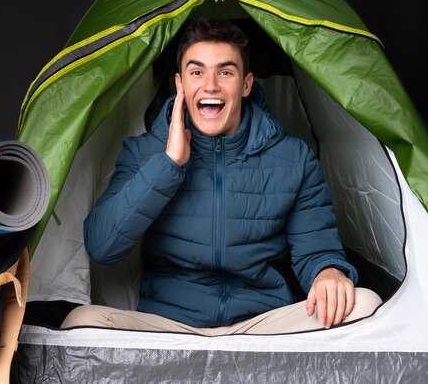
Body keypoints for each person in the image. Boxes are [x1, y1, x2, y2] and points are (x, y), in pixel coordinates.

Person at [61, 18, 381, 335]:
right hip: (170, 328)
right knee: (80, 323)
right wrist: (169, 164)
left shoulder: (294, 159)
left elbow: (317, 248)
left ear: (246, 85)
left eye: (225, 72)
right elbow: (102, 246)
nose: (210, 85)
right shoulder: (145, 152)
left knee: (364, 305)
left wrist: (328, 273)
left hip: (262, 325)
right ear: (180, 84)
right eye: (197, 71)